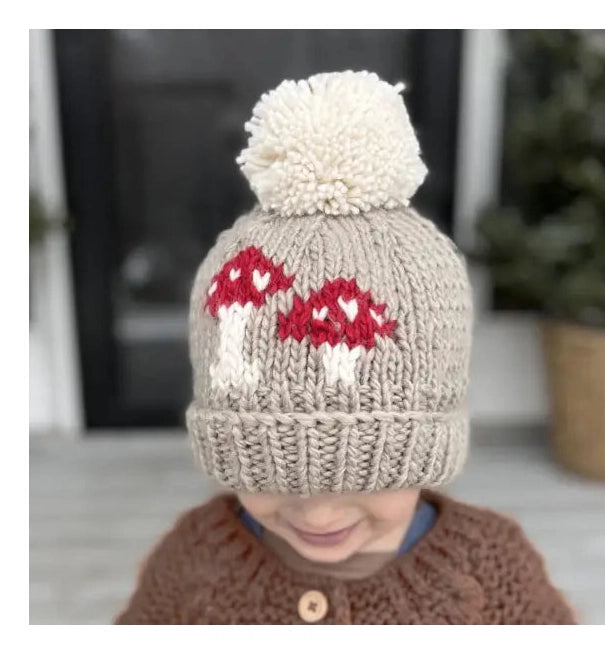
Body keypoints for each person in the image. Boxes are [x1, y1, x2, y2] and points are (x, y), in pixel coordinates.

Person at [115, 71, 577, 625]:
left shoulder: (493, 572)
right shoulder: (192, 565)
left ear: (425, 453)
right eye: (274, 473)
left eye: (366, 475)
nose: (319, 514)